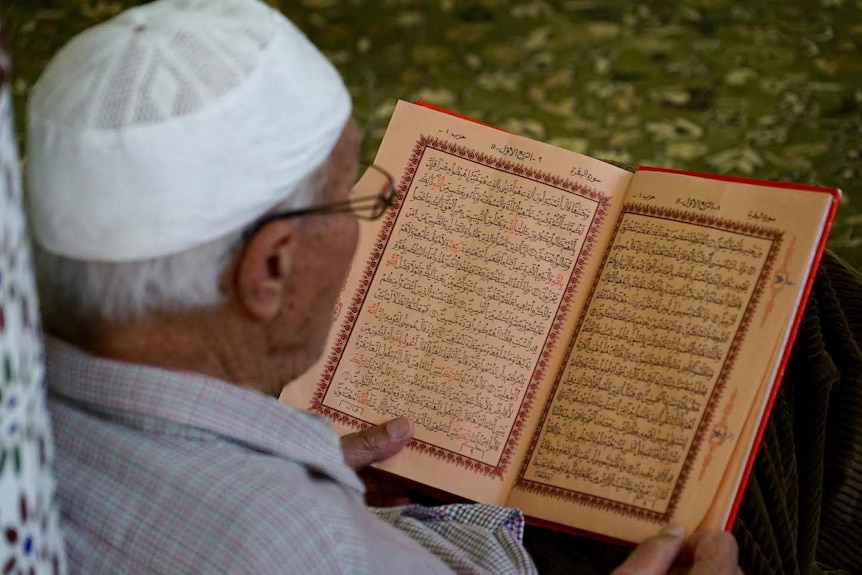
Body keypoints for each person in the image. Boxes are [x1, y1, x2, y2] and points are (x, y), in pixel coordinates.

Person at [25, 0, 744, 573]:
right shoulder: (297, 538)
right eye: (352, 199)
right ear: (269, 269)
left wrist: (318, 476)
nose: (365, 221)